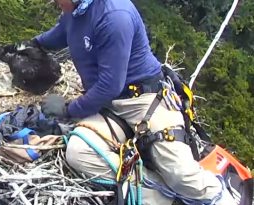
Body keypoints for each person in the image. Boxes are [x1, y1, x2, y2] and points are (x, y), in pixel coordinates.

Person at [25, 0, 235, 204]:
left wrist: (69, 109)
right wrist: (29, 45)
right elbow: (61, 33)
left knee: (180, 174)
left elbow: (109, 85)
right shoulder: (76, 11)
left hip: (145, 101)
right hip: (109, 107)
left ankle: (223, 200)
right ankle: (162, 198)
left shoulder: (114, 15)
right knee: (79, 152)